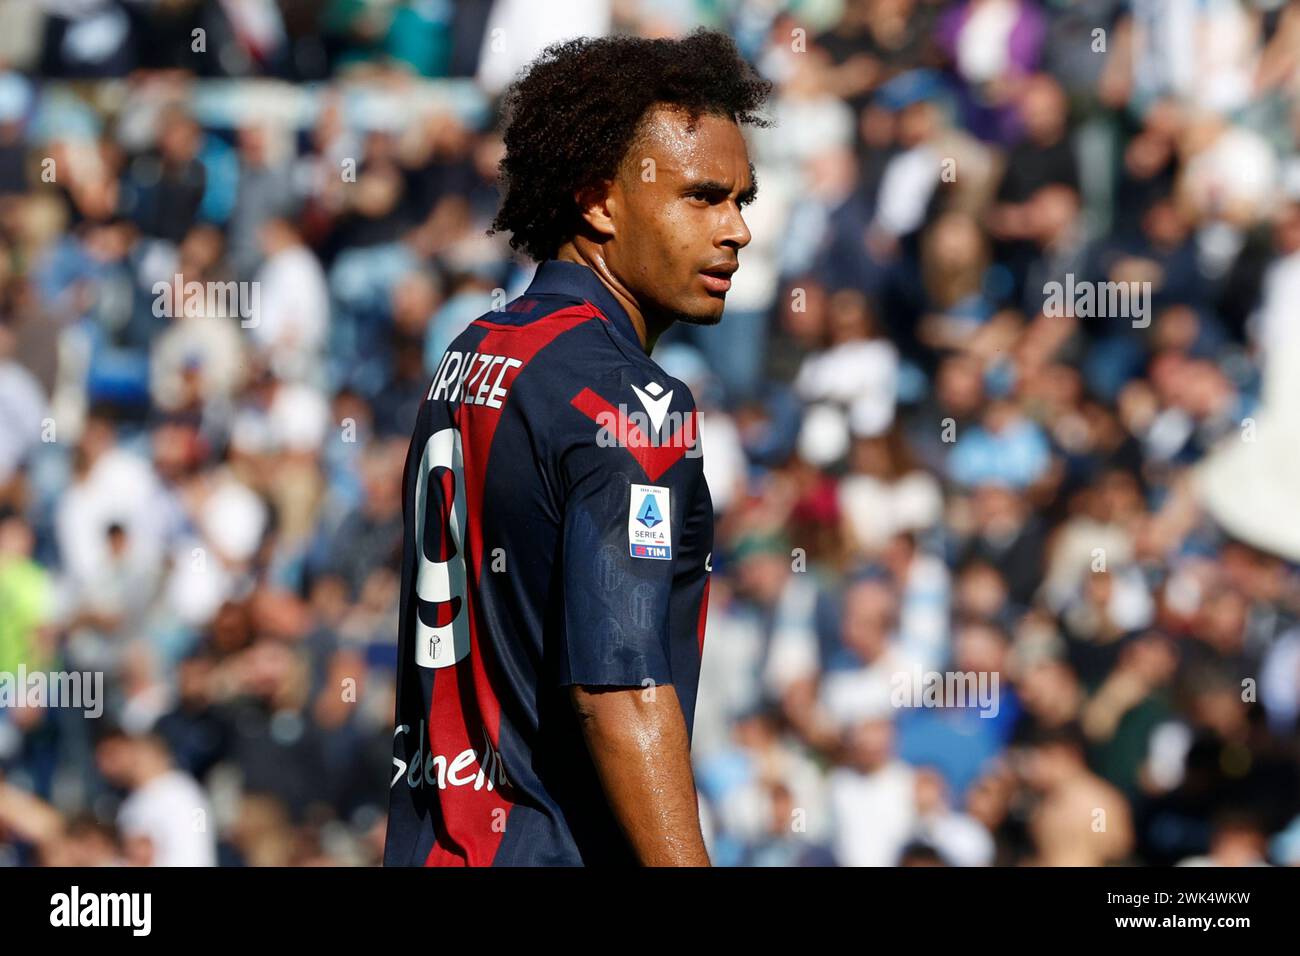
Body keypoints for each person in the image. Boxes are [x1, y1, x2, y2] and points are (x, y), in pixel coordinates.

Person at [384, 30, 772, 866]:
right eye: (703, 197)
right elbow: (620, 691)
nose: (736, 230)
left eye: (743, 199)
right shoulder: (635, 403)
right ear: (601, 203)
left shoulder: (470, 353)